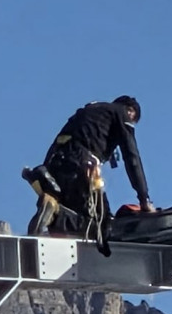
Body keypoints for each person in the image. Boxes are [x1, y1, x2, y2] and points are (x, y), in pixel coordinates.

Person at [25, 96, 154, 247]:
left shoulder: (91, 111)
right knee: (103, 226)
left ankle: (51, 208)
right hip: (81, 164)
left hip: (55, 164)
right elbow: (132, 157)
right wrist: (144, 199)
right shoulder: (121, 112)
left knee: (73, 216)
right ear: (131, 111)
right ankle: (56, 213)